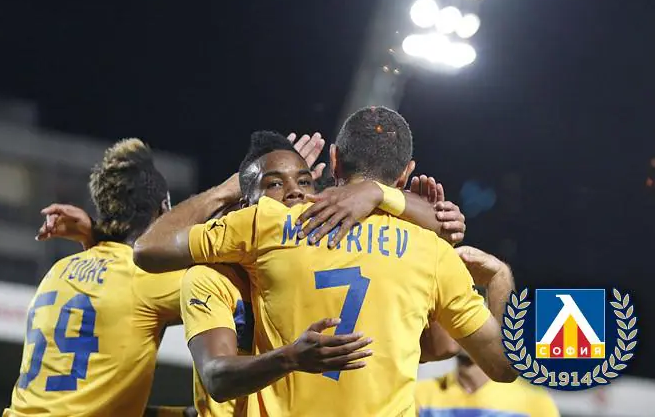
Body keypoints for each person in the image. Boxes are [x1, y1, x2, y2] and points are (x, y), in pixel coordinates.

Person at [134, 107, 514, 417]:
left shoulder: (268, 223)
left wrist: (228, 188)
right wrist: (500, 276)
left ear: (333, 160)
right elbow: (506, 366)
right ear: (406, 173)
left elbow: (148, 247)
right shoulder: (430, 249)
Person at [179, 131, 467, 416]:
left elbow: (438, 347)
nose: (295, 192)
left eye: (305, 182)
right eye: (274, 184)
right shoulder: (210, 278)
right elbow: (216, 378)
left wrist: (423, 240)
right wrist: (225, 191)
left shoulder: (325, 270)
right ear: (245, 207)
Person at [3, 139, 238, 417]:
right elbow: (237, 292)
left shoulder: (58, 271)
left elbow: (81, 395)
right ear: (163, 209)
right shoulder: (147, 277)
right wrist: (231, 194)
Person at [415, 248, 560, 417]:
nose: (466, 324)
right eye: (457, 313)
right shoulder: (420, 395)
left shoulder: (534, 401)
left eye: (474, 316)